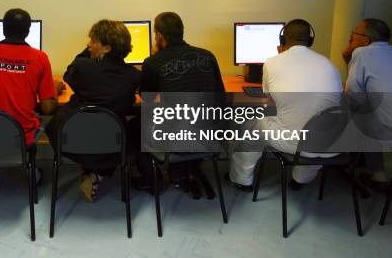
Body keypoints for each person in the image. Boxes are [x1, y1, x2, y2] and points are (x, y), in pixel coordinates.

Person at [229, 19, 343, 190]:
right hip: (330, 142)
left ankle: (242, 179)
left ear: (283, 40)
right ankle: (300, 180)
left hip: (295, 143)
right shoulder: (329, 64)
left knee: (251, 126)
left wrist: (280, 56)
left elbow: (269, 98)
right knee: (311, 123)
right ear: (310, 40)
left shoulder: (272, 62)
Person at [0, 8, 63, 193]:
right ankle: (31, 170)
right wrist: (56, 88)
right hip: (21, 137)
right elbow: (48, 107)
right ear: (28, 32)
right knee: (39, 121)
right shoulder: (40, 58)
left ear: (3, 29)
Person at [46, 19, 140, 201]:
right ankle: (98, 172)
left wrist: (86, 53)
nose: (88, 44)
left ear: (107, 48)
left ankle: (89, 169)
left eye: (93, 41)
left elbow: (68, 74)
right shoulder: (134, 75)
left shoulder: (82, 67)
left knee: (59, 123)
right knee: (129, 131)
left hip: (72, 141)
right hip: (110, 143)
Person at [134, 12, 225, 198]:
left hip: (175, 141)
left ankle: (152, 180)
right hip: (209, 137)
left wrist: (154, 61)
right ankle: (183, 170)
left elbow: (147, 99)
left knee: (136, 125)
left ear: (159, 35)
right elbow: (220, 96)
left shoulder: (153, 62)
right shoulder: (208, 56)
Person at [343, 18, 392, 192]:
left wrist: (347, 59)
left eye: (354, 33)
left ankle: (379, 176)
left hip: (386, 128)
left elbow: (353, 95)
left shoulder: (362, 53)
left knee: (361, 114)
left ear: (365, 39)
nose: (350, 37)